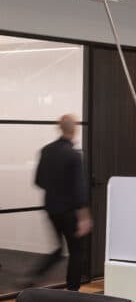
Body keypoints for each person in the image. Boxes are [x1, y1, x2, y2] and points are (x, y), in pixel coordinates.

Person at [34, 114, 92, 291]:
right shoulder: (73, 156)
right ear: (74, 130)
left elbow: (38, 181)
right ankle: (72, 290)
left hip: (51, 209)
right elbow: (79, 190)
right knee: (77, 251)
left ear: (60, 128)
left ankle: (34, 276)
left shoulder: (46, 150)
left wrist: (54, 188)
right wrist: (84, 218)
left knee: (59, 249)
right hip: (69, 211)